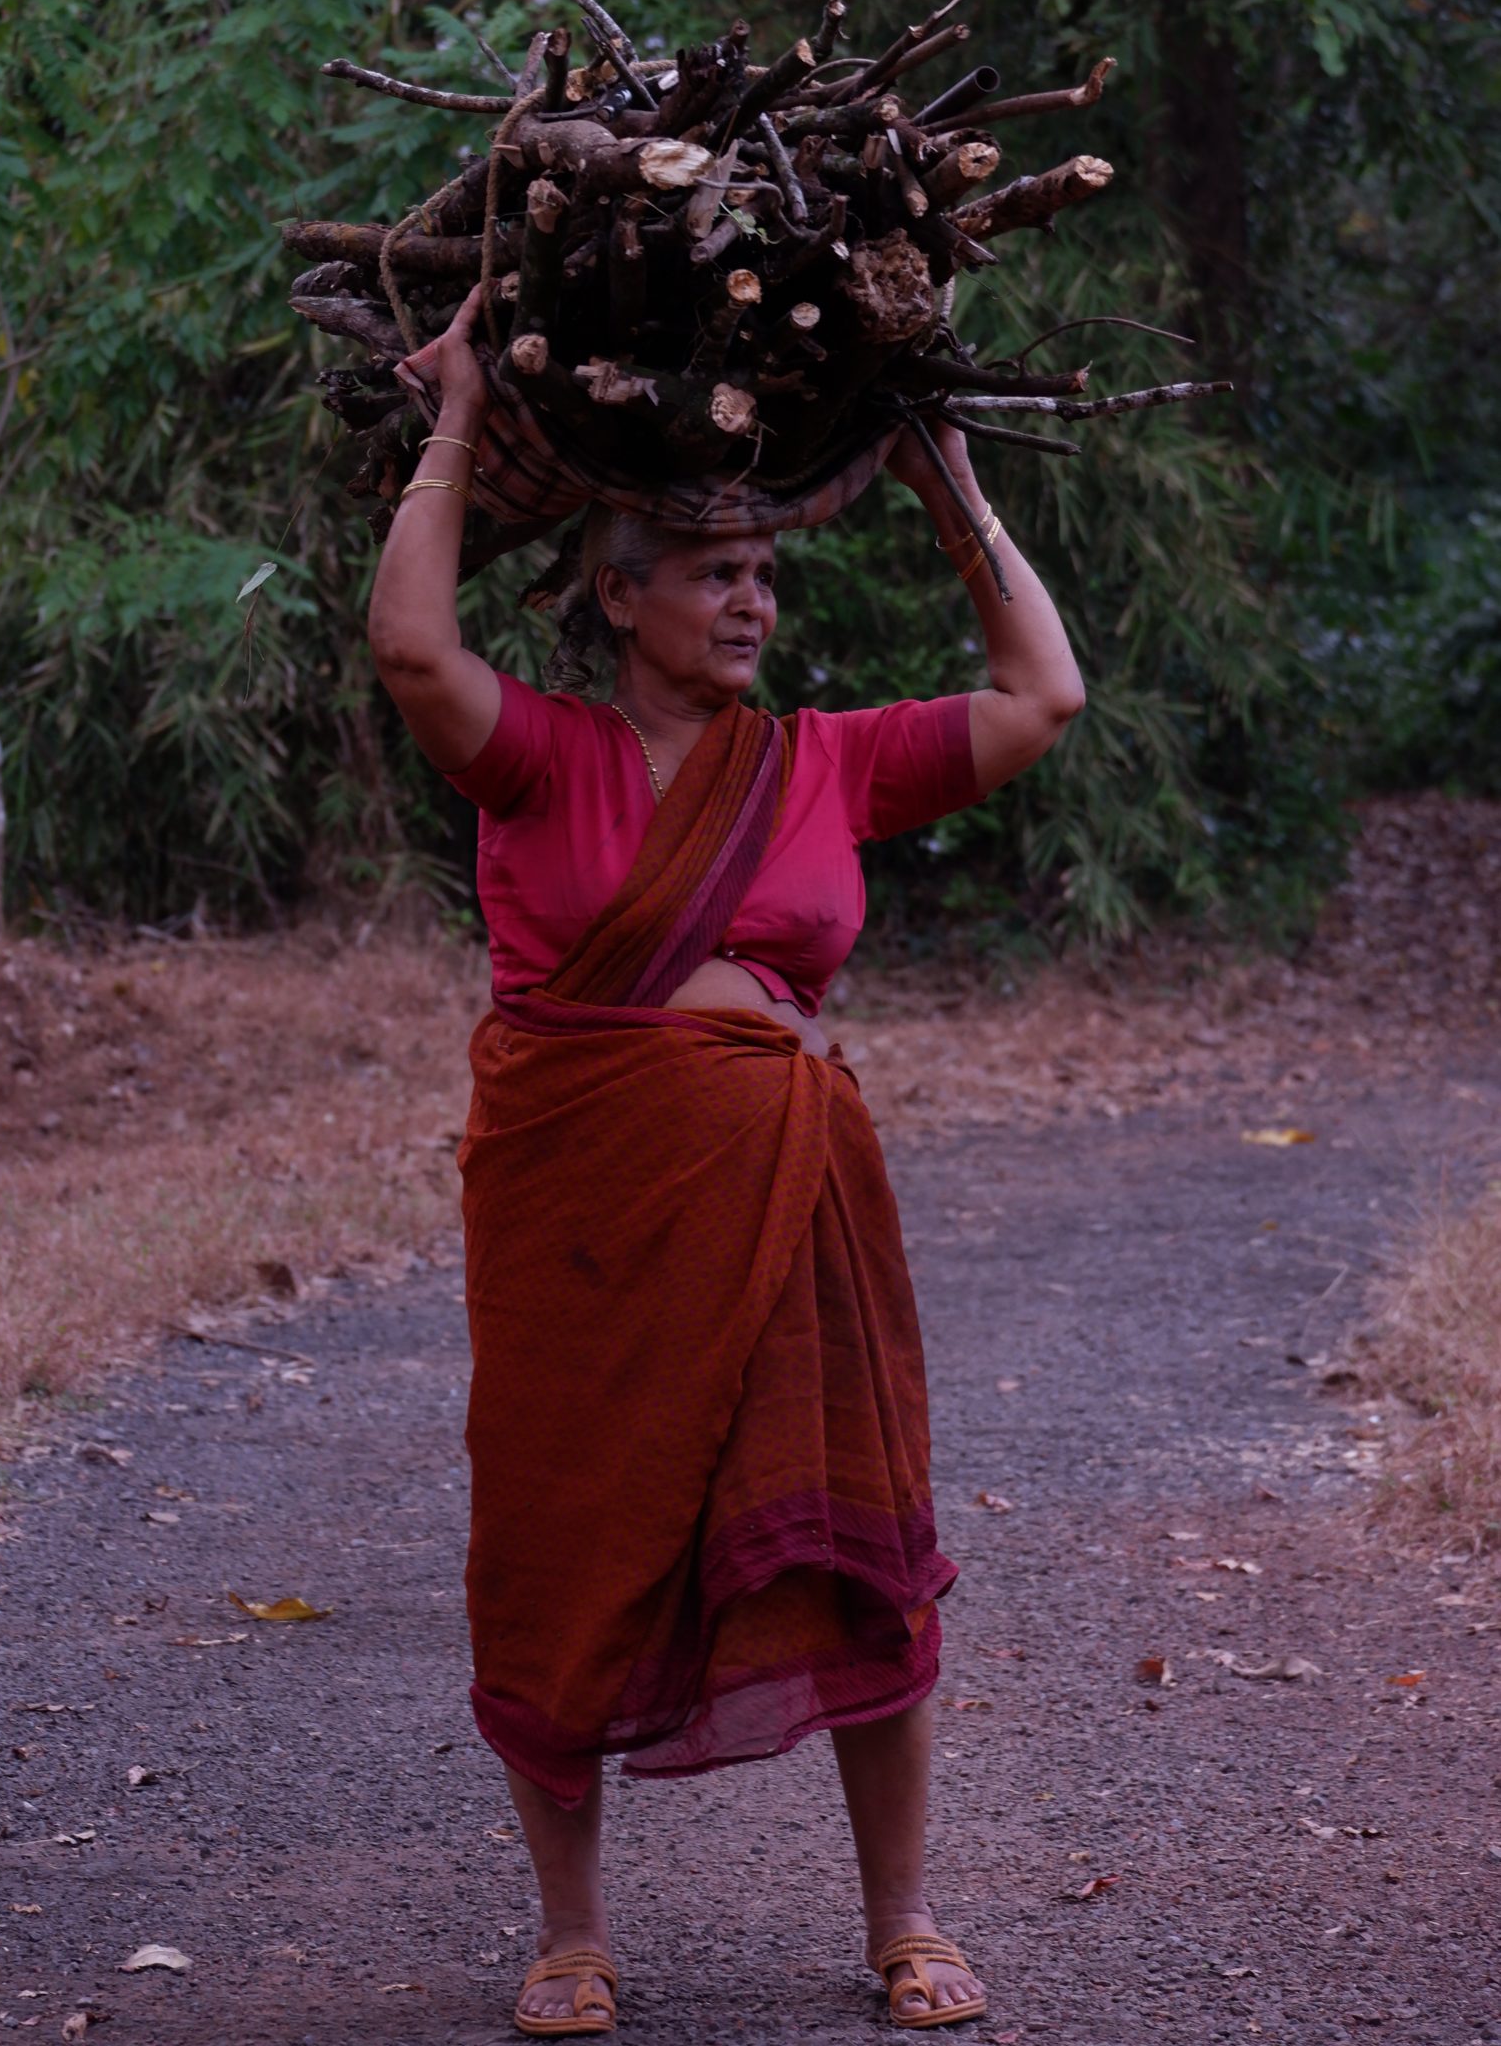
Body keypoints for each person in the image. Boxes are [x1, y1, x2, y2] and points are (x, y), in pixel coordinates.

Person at [368, 283, 1085, 2036]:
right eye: (712, 570)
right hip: (585, 1228)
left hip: (794, 1215)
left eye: (765, 571)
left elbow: (1044, 692)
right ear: (619, 595)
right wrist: (459, 408)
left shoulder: (825, 767)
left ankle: (904, 1920)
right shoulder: (539, 759)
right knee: (566, 1542)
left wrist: (950, 489)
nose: (753, 596)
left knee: (857, 1536)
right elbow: (409, 648)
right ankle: (568, 1933)